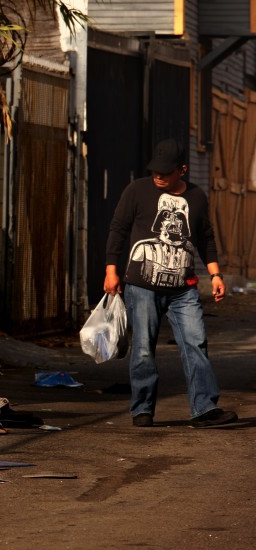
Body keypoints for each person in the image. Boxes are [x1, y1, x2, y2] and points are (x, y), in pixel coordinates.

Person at [104, 138, 237, 428]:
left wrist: (215, 275)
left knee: (195, 343)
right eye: (155, 171)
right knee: (142, 347)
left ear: (183, 170)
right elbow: (118, 229)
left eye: (165, 171)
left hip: (184, 289)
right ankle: (142, 408)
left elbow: (206, 238)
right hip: (142, 286)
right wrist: (111, 270)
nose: (158, 176)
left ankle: (203, 408)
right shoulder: (136, 190)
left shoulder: (197, 197)